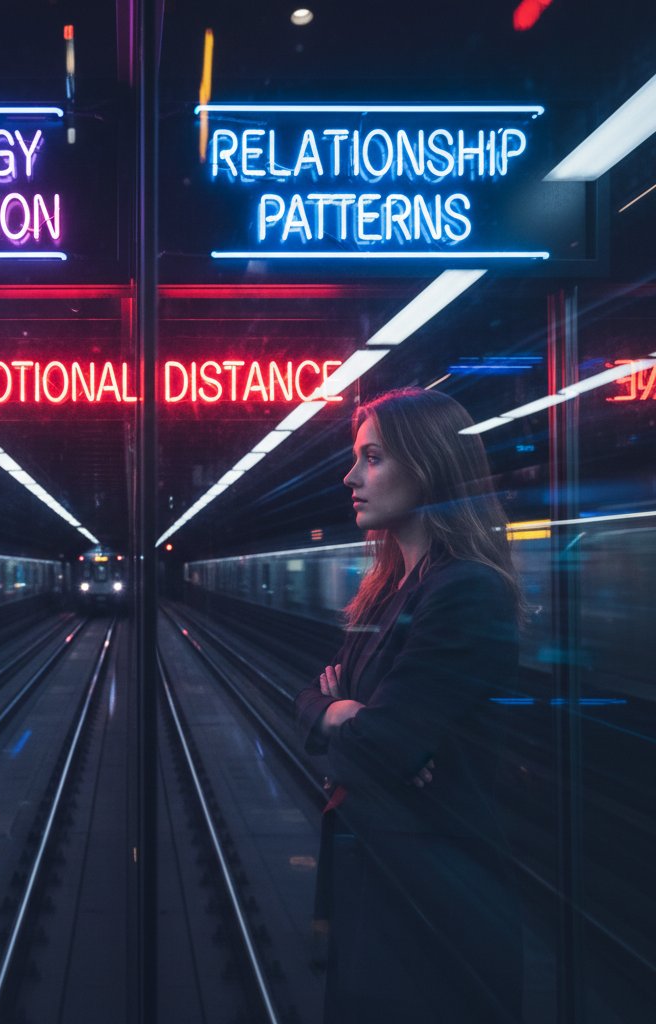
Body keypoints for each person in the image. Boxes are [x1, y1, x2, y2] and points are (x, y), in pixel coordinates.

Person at [294, 388, 524, 1024]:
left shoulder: (465, 590)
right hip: (380, 887)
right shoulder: (387, 592)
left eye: (371, 458)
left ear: (427, 467)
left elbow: (378, 747)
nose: (350, 476)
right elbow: (315, 700)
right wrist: (340, 713)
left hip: (433, 903)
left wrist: (351, 719)